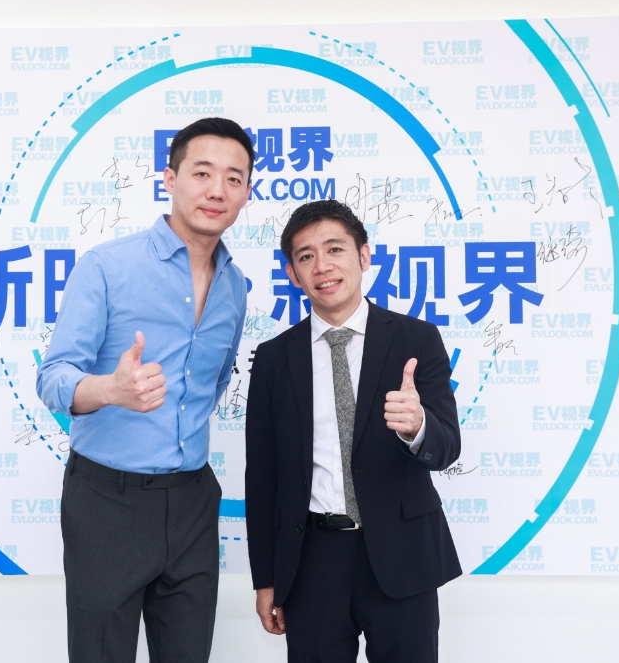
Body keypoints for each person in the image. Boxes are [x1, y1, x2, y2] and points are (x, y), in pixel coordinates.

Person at [37, 117, 254, 663]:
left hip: (193, 502)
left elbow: (214, 382)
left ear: (246, 193)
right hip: (107, 503)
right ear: (170, 179)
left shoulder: (234, 285)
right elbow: (53, 376)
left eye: (233, 178)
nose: (217, 190)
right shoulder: (107, 267)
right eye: (202, 173)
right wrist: (111, 389)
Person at [245, 199, 462, 662]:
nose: (322, 266)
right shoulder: (274, 359)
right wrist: (265, 579)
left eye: (335, 249)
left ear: (364, 256)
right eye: (306, 256)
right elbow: (261, 479)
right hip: (311, 560)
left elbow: (447, 448)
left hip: (401, 554)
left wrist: (418, 426)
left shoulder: (417, 339)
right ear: (292, 274)